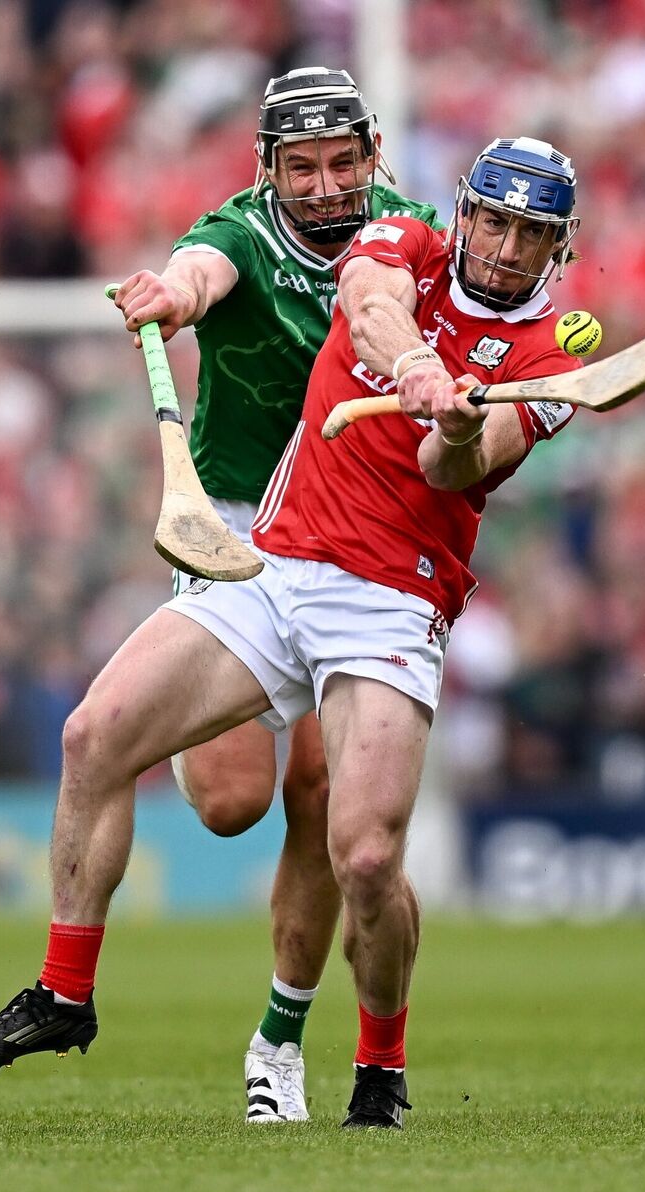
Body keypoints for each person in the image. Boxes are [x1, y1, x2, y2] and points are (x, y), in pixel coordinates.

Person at [0, 133, 582, 1129]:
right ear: (465, 213)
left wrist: (455, 425)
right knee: (93, 735)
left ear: (558, 246)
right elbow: (368, 307)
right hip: (275, 568)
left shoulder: (549, 362)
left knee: (364, 857)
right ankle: (65, 993)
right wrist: (415, 365)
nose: (503, 246)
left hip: (390, 602)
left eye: (529, 233)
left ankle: (378, 1065)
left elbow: (457, 471)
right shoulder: (403, 237)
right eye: (492, 221)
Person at [117, 67, 440, 1124]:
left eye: (341, 161)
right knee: (228, 804)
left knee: (324, 801)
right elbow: (200, 270)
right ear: (267, 168)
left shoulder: (409, 233)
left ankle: (281, 1043)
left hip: (351, 536)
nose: (321, 184)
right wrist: (171, 294)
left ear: (372, 152)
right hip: (240, 524)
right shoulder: (240, 231)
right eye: (299, 165)